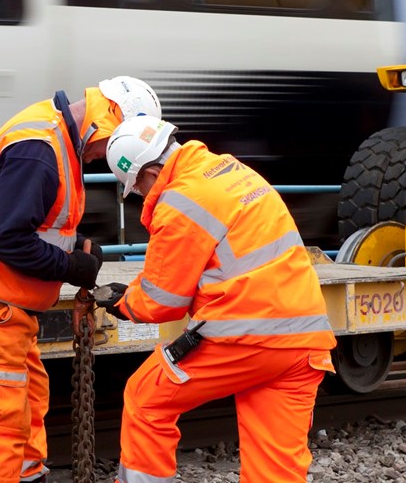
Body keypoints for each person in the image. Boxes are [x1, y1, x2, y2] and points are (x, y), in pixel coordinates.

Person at [0, 76, 161, 483]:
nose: (99, 158)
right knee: (2, 420)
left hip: (9, 299)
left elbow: (36, 223)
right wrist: (71, 267)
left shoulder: (56, 140)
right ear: (106, 121)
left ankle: (28, 476)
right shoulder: (39, 152)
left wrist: (80, 246)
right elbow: (7, 239)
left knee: (30, 399)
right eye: (108, 147)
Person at [97, 116, 337, 483]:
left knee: (146, 400)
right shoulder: (228, 169)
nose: (142, 196)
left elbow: (163, 301)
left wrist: (122, 302)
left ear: (149, 173)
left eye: (137, 188)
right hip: (304, 338)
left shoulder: (179, 202)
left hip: (245, 336)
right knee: (274, 470)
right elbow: (203, 260)